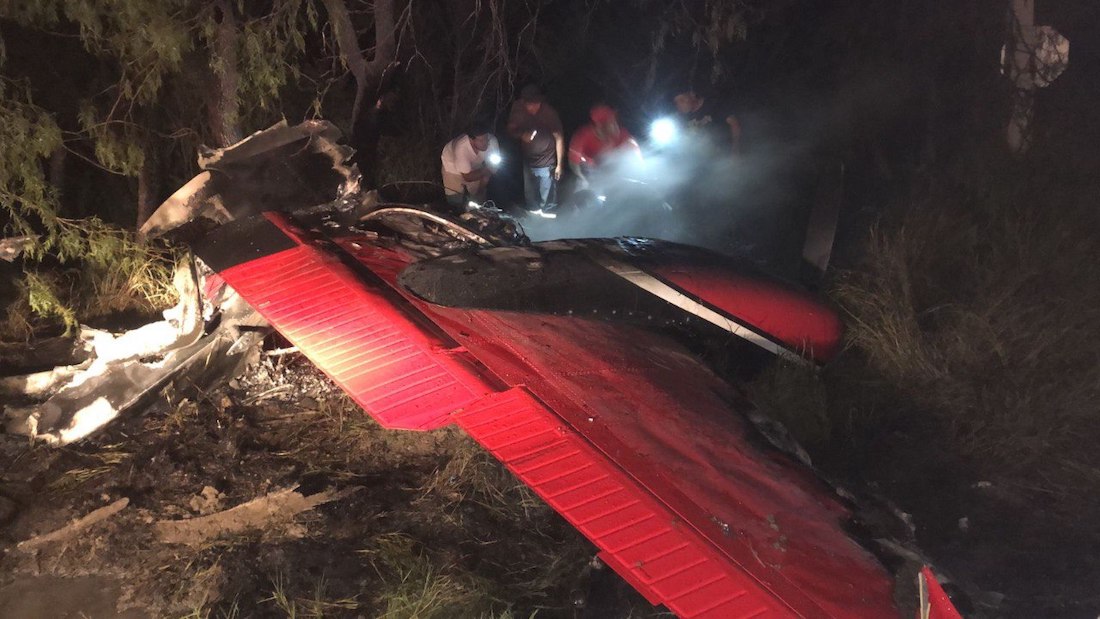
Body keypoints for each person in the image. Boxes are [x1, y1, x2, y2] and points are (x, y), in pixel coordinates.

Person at [507, 85, 564, 213]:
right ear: (524, 102)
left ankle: (548, 216)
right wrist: (522, 135)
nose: (534, 107)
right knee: (530, 197)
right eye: (530, 104)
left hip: (547, 160)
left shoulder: (549, 113)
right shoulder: (518, 109)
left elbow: (559, 138)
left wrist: (559, 165)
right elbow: (510, 129)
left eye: (536, 104)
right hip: (528, 161)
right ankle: (534, 218)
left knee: (548, 199)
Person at [567, 104, 641, 187]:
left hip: (614, 173)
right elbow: (573, 162)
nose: (615, 125)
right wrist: (582, 178)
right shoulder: (583, 135)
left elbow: (635, 152)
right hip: (589, 171)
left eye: (614, 121)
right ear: (600, 126)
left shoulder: (622, 134)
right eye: (611, 122)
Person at [441, 121, 501, 207]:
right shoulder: (461, 148)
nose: (485, 143)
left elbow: (492, 170)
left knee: (478, 199)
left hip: (476, 166)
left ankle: (477, 210)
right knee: (455, 198)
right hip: (452, 165)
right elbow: (468, 177)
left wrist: (481, 189)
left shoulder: (492, 142)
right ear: (471, 140)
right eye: (481, 140)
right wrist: (485, 171)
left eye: (486, 138)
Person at [673, 89, 742, 156]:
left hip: (724, 152)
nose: (679, 105)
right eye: (676, 103)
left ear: (692, 95)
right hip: (704, 158)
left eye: (682, 100)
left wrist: (735, 151)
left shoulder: (714, 105)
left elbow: (734, 123)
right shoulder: (682, 118)